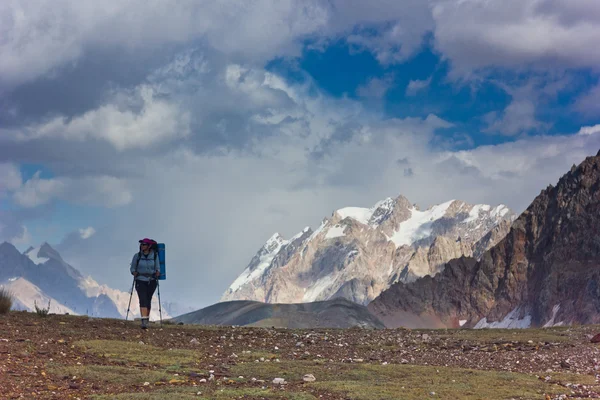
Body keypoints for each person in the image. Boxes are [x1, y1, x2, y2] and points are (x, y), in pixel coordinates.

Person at [130, 238, 160, 329]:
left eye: (144, 244)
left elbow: (158, 267)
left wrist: (157, 272)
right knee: (142, 299)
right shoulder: (137, 256)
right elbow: (132, 268)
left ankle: (146, 319)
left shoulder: (155, 256)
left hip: (151, 281)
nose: (142, 246)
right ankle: (144, 321)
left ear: (149, 246)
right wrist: (134, 272)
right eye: (141, 244)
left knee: (148, 299)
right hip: (140, 280)